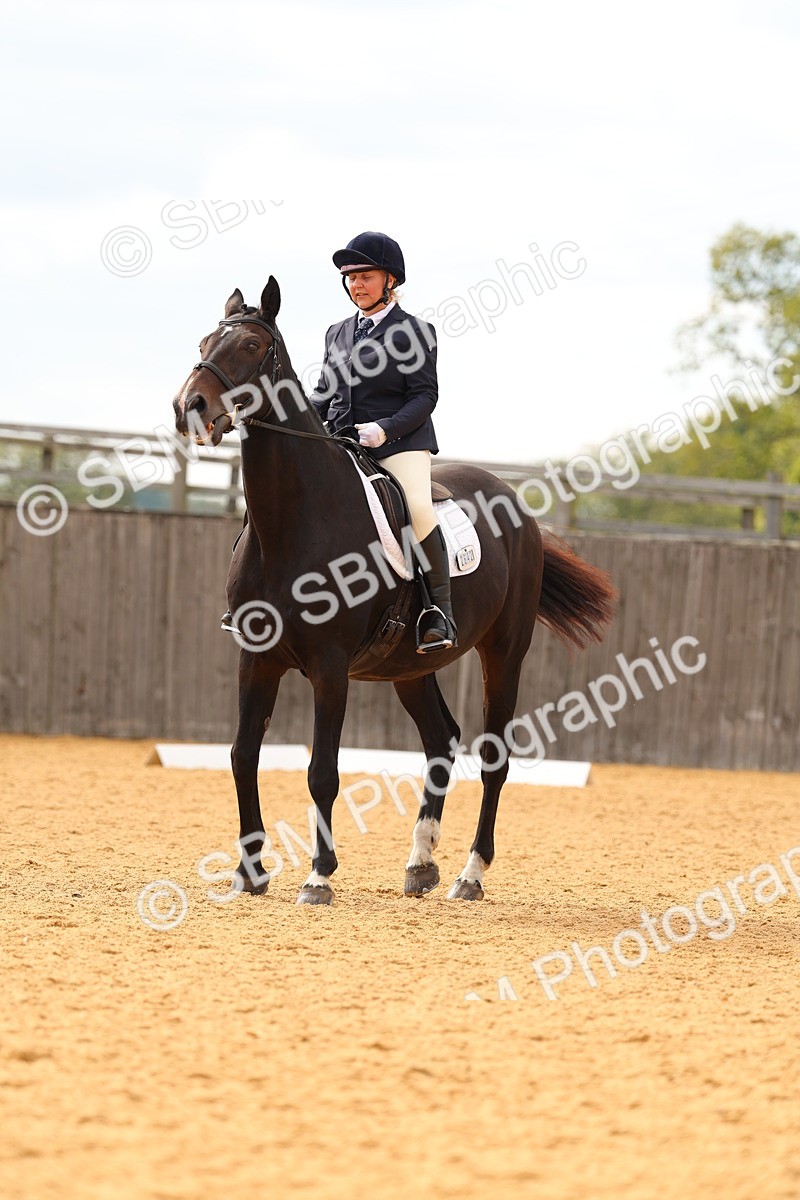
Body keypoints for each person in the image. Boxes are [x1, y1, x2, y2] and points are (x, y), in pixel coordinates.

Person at [309, 230, 456, 653]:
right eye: (350, 277)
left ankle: (438, 612)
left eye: (365, 276)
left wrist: (386, 428)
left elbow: (425, 395)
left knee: (417, 506)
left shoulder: (414, 331)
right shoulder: (336, 332)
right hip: (342, 441)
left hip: (399, 444)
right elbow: (324, 392)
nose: (356, 285)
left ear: (390, 280)